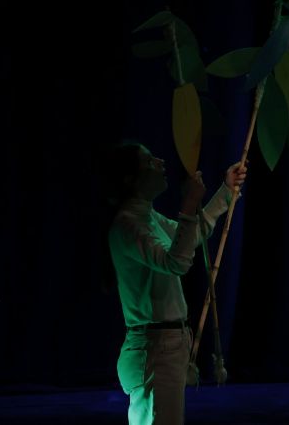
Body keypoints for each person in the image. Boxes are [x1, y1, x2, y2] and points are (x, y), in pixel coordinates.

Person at [104, 142, 246, 425]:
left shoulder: (148, 218)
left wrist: (225, 190)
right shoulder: (128, 225)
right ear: (131, 179)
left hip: (164, 345)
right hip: (154, 349)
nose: (160, 161)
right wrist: (189, 205)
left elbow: (192, 234)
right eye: (149, 161)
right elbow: (176, 263)